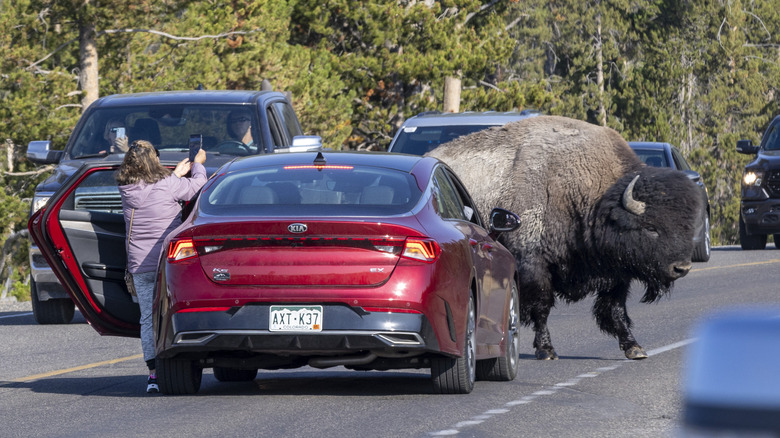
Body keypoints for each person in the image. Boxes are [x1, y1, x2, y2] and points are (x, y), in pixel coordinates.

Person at [116, 140, 207, 393]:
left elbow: (151, 187)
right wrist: (197, 166)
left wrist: (175, 174)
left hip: (139, 264)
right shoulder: (168, 185)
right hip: (167, 263)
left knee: (147, 318)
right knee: (174, 312)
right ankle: (178, 362)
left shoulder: (126, 187)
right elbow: (196, 187)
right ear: (154, 160)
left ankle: (153, 374)